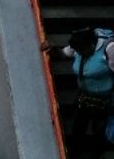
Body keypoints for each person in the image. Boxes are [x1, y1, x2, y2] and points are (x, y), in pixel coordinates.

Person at [45, 27, 114, 158]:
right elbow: (64, 54)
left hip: (104, 100)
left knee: (100, 131)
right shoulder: (79, 46)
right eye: (77, 51)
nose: (79, 54)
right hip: (84, 97)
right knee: (78, 128)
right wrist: (52, 48)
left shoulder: (110, 49)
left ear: (91, 44)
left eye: (82, 51)